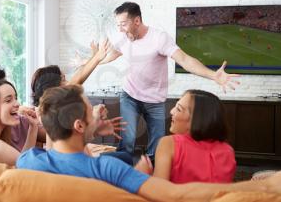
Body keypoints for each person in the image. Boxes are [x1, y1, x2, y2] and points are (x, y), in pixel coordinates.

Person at [17, 85, 281, 202]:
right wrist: (265, 185)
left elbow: (61, 151)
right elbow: (176, 195)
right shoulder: (109, 170)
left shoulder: (26, 161)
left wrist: (92, 129)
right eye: (91, 112)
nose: (97, 112)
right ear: (79, 126)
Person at [101, 2, 240, 158]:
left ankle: (155, 177)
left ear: (137, 21)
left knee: (157, 145)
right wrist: (91, 62)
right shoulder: (124, 37)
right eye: (118, 25)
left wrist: (213, 75)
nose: (119, 29)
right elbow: (113, 53)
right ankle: (119, 176)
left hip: (155, 100)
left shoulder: (159, 38)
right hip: (130, 95)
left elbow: (185, 59)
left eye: (123, 24)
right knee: (128, 140)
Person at [154, 90, 236, 183]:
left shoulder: (168, 143)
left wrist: (141, 176)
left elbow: (158, 191)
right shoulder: (228, 151)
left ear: (196, 120)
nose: (171, 111)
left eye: (179, 109)